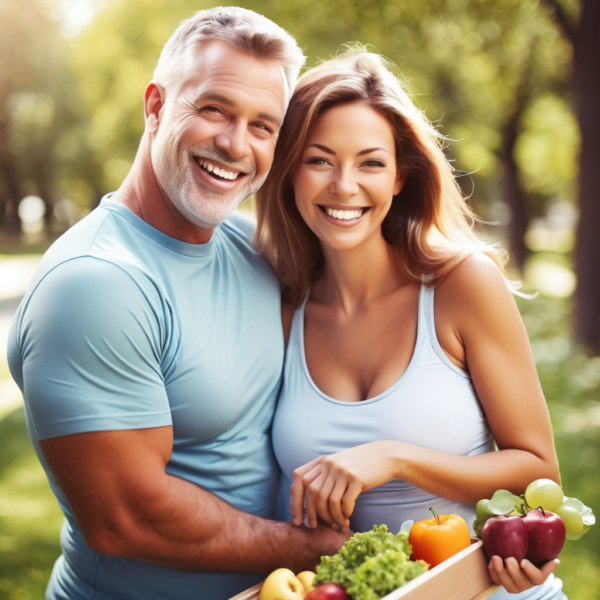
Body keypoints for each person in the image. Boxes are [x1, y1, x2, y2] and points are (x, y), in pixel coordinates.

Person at [6, 8, 349, 600]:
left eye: (263, 125)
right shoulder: (96, 284)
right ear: (156, 105)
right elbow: (127, 518)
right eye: (213, 108)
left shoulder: (249, 247)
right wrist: (316, 548)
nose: (235, 144)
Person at [255, 49, 566, 598]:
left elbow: (538, 472)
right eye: (319, 160)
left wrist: (394, 457)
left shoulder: (461, 285)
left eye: (370, 163)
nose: (344, 186)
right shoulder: (283, 307)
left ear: (400, 176)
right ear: (289, 173)